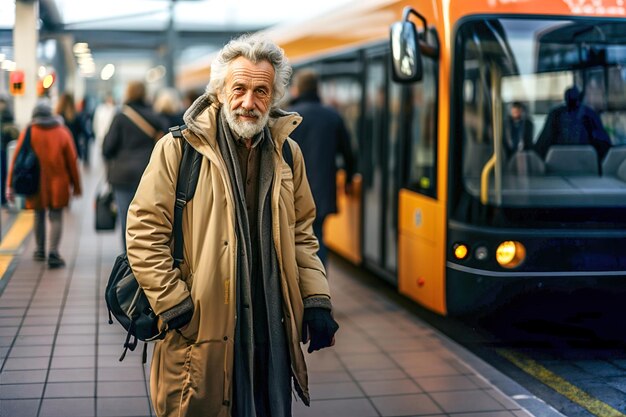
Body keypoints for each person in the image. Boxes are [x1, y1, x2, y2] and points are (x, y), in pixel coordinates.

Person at [126, 34, 339, 417]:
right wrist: (173, 302)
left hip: (269, 331)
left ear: (274, 98)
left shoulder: (289, 154)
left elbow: (302, 235)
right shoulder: (180, 149)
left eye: (262, 91)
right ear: (220, 91)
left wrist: (315, 298)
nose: (248, 102)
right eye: (238, 88)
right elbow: (144, 233)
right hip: (202, 328)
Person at [287, 69, 355, 266]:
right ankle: (318, 289)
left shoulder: (288, 118)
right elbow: (349, 153)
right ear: (317, 89)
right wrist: (349, 180)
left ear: (297, 90)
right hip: (321, 192)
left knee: (290, 240)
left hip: (291, 193)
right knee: (317, 240)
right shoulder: (332, 116)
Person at [6, 101, 81, 268]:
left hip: (36, 183)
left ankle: (40, 250)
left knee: (38, 215)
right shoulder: (62, 132)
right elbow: (72, 161)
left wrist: (10, 184)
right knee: (56, 216)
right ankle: (53, 252)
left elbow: (16, 161)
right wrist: (76, 186)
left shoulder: (29, 132)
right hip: (59, 183)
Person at [102, 81, 167, 249]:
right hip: (148, 174)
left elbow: (107, 148)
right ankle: (146, 255)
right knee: (149, 218)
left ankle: (129, 258)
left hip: (123, 176)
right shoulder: (155, 117)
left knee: (126, 217)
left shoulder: (121, 117)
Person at [534, 86, 611, 161]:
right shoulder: (589, 114)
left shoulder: (556, 114)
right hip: (586, 164)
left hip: (558, 165)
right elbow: (604, 145)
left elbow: (542, 145)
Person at [0, 97, 19, 206]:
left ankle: (4, 199)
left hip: (5, 151)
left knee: (5, 176)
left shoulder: (7, 116)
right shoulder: (9, 116)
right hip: (6, 150)